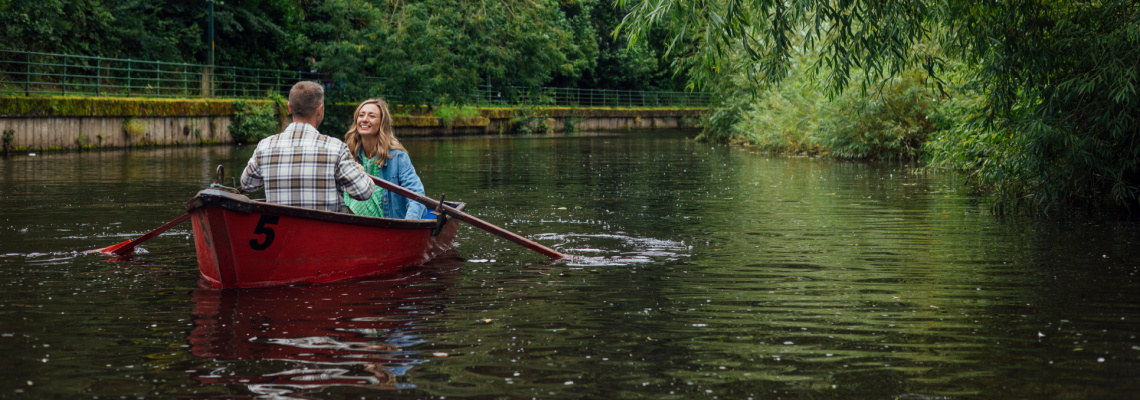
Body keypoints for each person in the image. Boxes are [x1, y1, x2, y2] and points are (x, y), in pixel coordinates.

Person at [240, 81, 374, 213]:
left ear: (289, 108)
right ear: (320, 109)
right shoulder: (336, 148)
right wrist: (360, 172)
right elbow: (363, 192)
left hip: (282, 232)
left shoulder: (265, 146)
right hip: (325, 233)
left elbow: (247, 184)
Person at [343, 98, 428, 219]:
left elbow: (416, 195)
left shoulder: (397, 157)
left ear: (382, 123)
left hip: (387, 224)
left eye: (371, 116)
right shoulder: (347, 155)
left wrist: (409, 222)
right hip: (350, 221)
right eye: (361, 115)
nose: (364, 119)